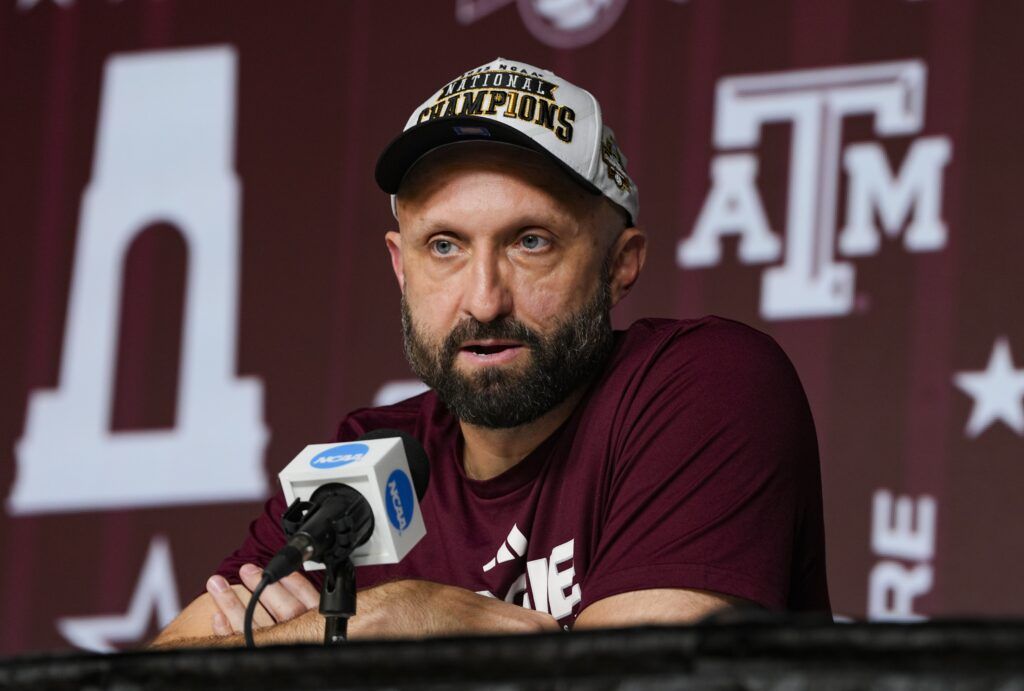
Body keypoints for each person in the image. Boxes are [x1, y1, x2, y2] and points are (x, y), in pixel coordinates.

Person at [152, 57, 830, 647]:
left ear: (621, 262)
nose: (483, 299)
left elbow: (638, 677)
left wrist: (323, 656)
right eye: (444, 245)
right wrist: (382, 621)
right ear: (400, 264)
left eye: (530, 241)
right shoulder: (371, 455)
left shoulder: (702, 384)